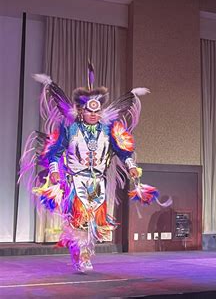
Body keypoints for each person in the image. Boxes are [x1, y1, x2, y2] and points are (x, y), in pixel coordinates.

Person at [19, 64, 162, 272]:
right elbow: (55, 151)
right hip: (76, 180)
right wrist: (54, 170)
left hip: (98, 182)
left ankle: (85, 253)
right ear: (81, 111)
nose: (93, 115)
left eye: (97, 111)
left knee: (94, 220)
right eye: (89, 111)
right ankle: (82, 256)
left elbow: (123, 150)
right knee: (79, 219)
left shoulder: (108, 129)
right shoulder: (70, 128)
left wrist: (131, 166)